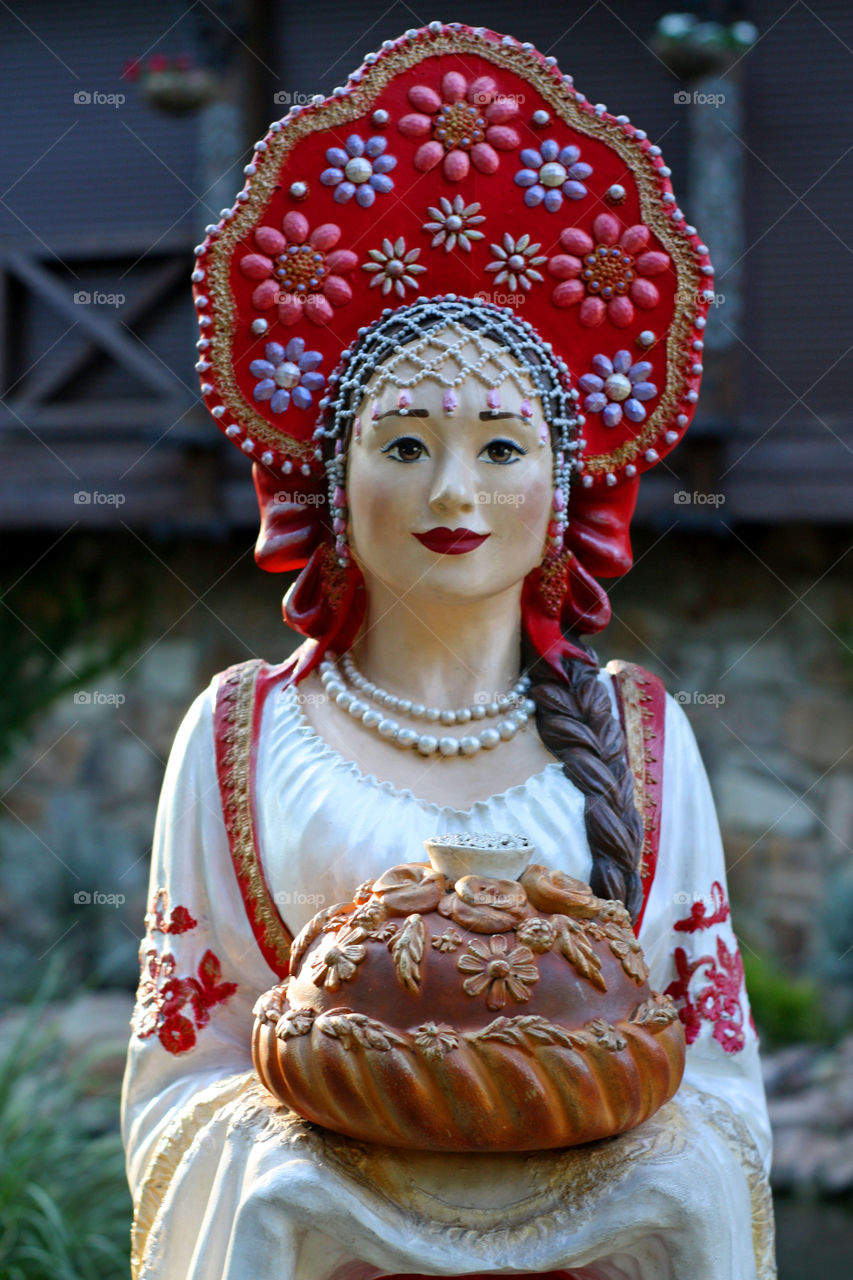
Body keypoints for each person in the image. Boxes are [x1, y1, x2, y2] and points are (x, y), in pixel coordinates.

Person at [121, 22, 776, 1280]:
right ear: (330, 477)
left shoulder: (640, 735)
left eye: (500, 445)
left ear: (567, 487)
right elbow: (177, 1083)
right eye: (405, 442)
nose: (453, 491)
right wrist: (307, 1166)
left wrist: (620, 1172)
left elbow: (716, 1077)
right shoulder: (242, 733)